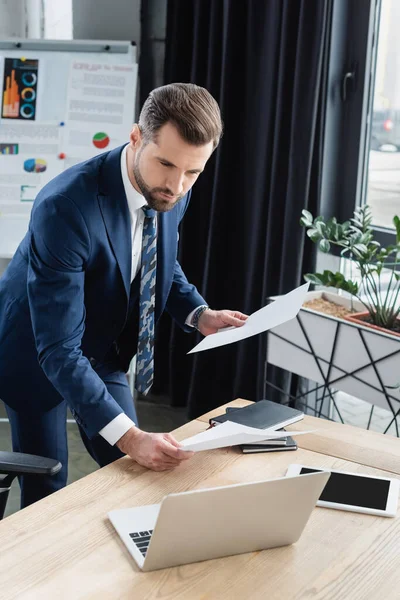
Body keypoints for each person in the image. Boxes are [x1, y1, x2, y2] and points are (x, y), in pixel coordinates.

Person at [0, 83, 247, 508]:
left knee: (136, 472)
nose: (177, 185)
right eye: (166, 163)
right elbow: (58, 350)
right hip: (36, 350)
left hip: (102, 346)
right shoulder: (65, 207)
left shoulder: (171, 191)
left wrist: (198, 313)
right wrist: (132, 437)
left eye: (193, 172)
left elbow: (155, 260)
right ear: (136, 138)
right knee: (48, 487)